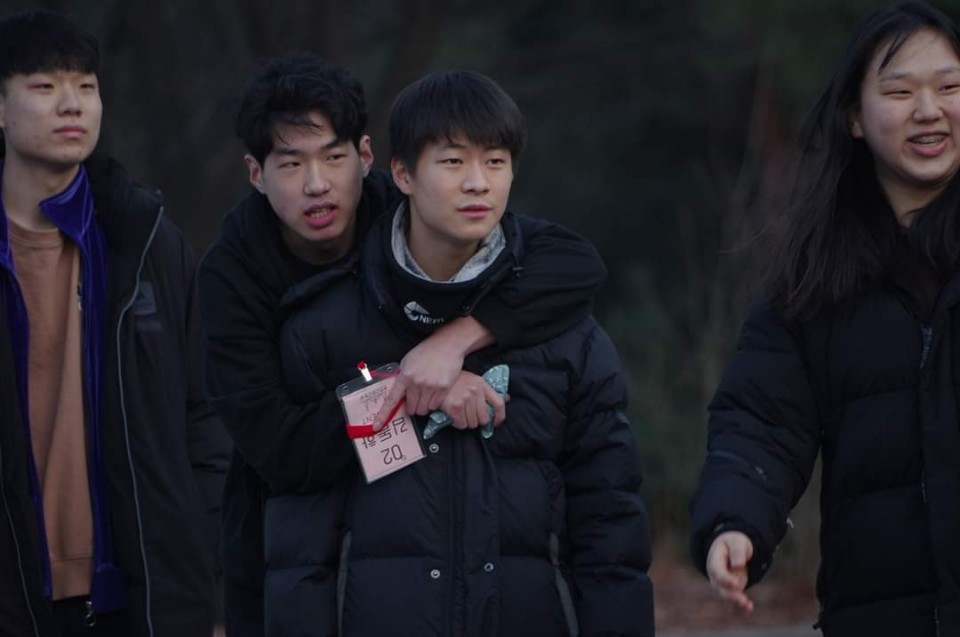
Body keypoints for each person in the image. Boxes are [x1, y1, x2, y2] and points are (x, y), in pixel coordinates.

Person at [198, 54, 611, 635]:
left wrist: (456, 340)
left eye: (334, 158)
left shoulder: (406, 210)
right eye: (291, 164)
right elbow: (283, 453)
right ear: (256, 173)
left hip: (432, 528)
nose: (317, 184)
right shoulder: (230, 277)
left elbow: (575, 264)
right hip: (288, 529)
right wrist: (415, 393)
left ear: (367, 158)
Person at [689, 2, 960, 635]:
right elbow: (760, 424)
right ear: (854, 117)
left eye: (950, 87)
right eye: (900, 92)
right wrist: (734, 522)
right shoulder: (814, 283)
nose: (929, 110)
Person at [0, 9, 228, 637]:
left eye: (86, 86)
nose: (71, 104)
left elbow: (207, 409)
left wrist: (196, 540)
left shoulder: (145, 239)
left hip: (140, 596)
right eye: (45, 86)